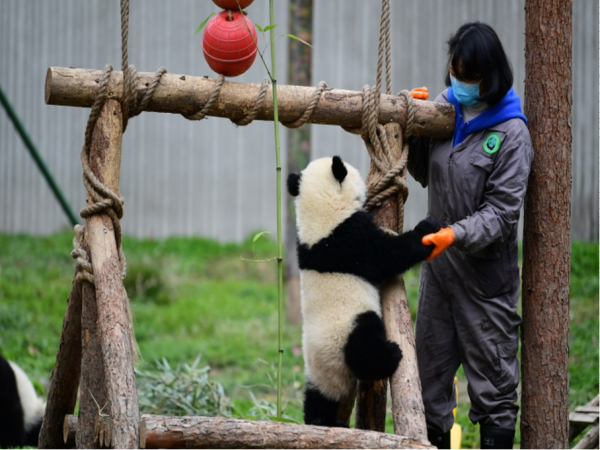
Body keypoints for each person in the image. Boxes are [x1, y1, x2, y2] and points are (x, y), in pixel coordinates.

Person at [407, 22, 533, 450]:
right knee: (429, 381)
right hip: (439, 276)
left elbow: (501, 215)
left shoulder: (513, 134)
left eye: (467, 76)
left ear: (489, 76)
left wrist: (454, 235)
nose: (457, 82)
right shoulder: (448, 106)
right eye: (454, 72)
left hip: (485, 282)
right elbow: (424, 173)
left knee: (494, 390)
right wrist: (416, 124)